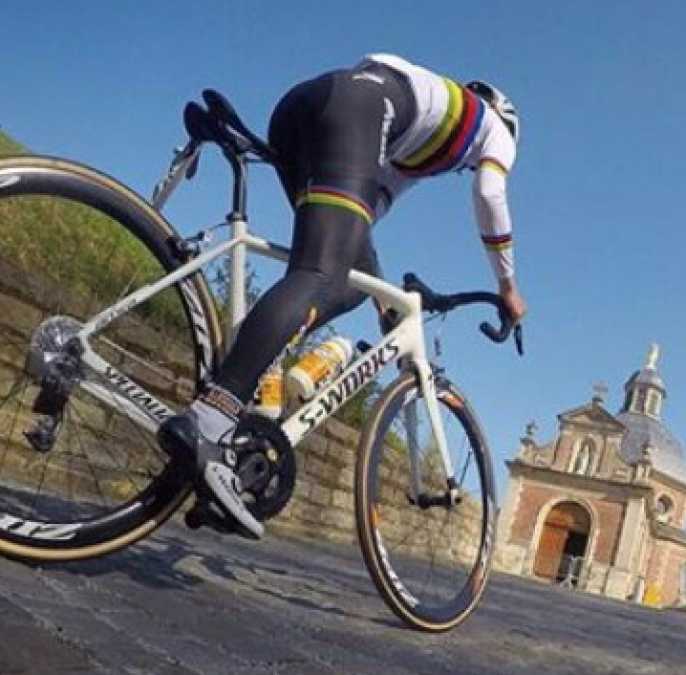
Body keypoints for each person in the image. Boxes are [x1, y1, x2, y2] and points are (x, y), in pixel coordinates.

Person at [159, 53, 526, 539]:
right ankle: (213, 416)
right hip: (356, 111)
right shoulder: (493, 126)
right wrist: (507, 286)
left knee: (341, 279)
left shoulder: (422, 132)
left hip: (306, 107)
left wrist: (383, 301)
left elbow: (361, 227)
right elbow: (491, 195)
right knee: (321, 275)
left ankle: (243, 409)